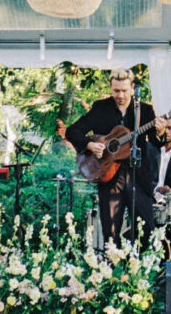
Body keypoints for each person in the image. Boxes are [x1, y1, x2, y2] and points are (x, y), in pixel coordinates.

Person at [65, 68, 165, 246]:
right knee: (110, 233)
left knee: (146, 230)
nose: (120, 95)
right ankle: (113, 269)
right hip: (109, 177)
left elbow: (157, 144)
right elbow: (72, 131)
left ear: (132, 88)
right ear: (110, 87)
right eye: (116, 90)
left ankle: (139, 269)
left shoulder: (145, 110)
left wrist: (161, 132)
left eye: (125, 90)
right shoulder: (100, 108)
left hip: (138, 178)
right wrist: (89, 144)